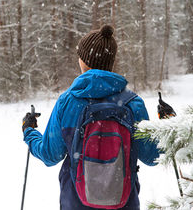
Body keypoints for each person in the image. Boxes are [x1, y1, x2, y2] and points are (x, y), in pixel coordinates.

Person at [22, 24, 160, 210]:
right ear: (110, 62)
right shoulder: (133, 103)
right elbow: (152, 156)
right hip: (123, 202)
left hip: (76, 202)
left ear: (84, 61)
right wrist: (169, 124)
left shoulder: (68, 101)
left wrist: (29, 131)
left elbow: (50, 155)